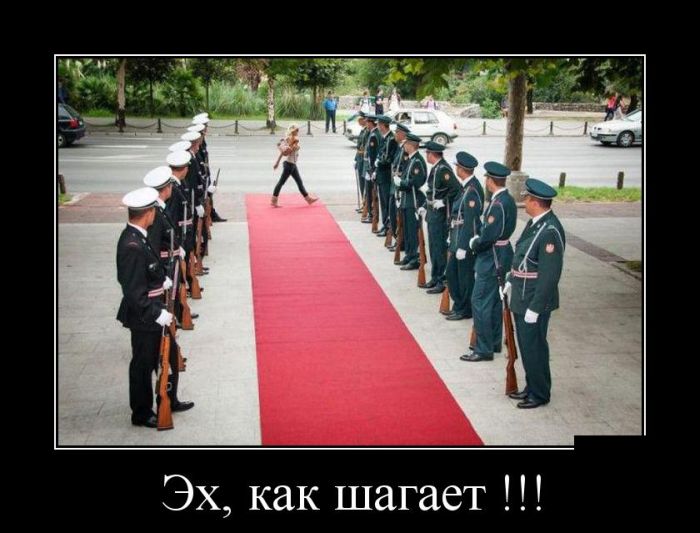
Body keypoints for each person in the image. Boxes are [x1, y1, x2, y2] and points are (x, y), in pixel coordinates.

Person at [116, 188, 193, 428]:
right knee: (144, 364)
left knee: (169, 357)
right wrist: (157, 313)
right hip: (144, 316)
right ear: (148, 213)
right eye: (153, 211)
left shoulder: (139, 237)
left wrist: (162, 280)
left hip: (155, 307)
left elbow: (149, 271)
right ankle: (141, 412)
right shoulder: (131, 244)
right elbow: (133, 292)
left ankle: (169, 398)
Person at [504, 179, 566, 409]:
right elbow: (523, 257)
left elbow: (549, 275)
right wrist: (511, 279)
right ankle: (532, 386)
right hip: (523, 295)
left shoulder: (549, 231)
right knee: (527, 346)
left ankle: (539, 393)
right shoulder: (535, 224)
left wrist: (536, 307)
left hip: (533, 300)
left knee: (535, 348)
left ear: (536, 202)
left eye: (528, 199)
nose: (525, 202)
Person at [460, 161, 517, 362]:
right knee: (493, 301)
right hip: (501, 254)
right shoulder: (506, 199)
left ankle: (483, 348)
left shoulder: (498, 204)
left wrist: (475, 243)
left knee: (480, 301)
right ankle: (492, 342)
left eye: (487, 179)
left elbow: (489, 236)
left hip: (492, 256)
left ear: (490, 181)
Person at [444, 152, 484, 320]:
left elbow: (471, 221)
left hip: (464, 240)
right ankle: (459, 305)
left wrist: (463, 246)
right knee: (452, 274)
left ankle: (465, 309)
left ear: (461, 169)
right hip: (457, 235)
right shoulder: (466, 187)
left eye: (457, 167)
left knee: (464, 277)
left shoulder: (472, 190)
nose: (456, 170)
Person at [419, 141, 461, 296]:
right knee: (433, 247)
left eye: (427, 153)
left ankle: (442, 280)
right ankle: (435, 277)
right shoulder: (436, 168)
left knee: (439, 248)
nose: (426, 155)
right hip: (432, 213)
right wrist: (425, 205)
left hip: (440, 215)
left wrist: (443, 201)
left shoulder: (443, 169)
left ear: (432, 154)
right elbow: (432, 191)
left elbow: (456, 189)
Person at [393, 133, 427, 270]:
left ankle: (414, 257)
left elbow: (416, 182)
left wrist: (401, 183)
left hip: (414, 200)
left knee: (413, 231)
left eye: (406, 144)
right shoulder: (411, 159)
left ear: (411, 145)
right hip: (407, 200)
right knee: (406, 230)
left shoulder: (417, 161)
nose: (404, 146)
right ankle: (409, 254)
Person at [271, 125, 319, 207]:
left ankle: (308, 199)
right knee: (281, 182)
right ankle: (274, 200)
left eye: (297, 130)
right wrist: (293, 146)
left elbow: (286, 151)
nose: (298, 132)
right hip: (289, 165)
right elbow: (285, 152)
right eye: (297, 130)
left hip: (293, 165)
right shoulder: (291, 140)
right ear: (293, 131)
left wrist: (277, 163)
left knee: (299, 182)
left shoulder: (294, 139)